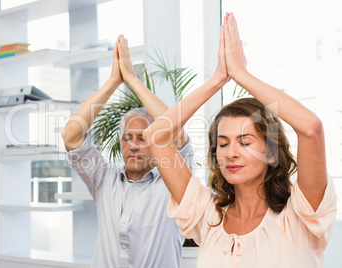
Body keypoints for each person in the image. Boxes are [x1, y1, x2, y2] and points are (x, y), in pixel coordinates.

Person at [142, 12, 337, 267]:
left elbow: (312, 128)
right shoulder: (208, 217)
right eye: (222, 144)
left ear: (270, 153)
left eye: (245, 142)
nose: (230, 153)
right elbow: (155, 137)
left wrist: (241, 74)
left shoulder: (300, 218)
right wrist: (217, 80)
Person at [61, 35, 193, 267]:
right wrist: (113, 81)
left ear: (156, 142)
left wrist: (132, 79)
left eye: (142, 138)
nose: (133, 145)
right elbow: (71, 134)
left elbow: (176, 132)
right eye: (127, 138)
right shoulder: (103, 178)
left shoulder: (173, 182)